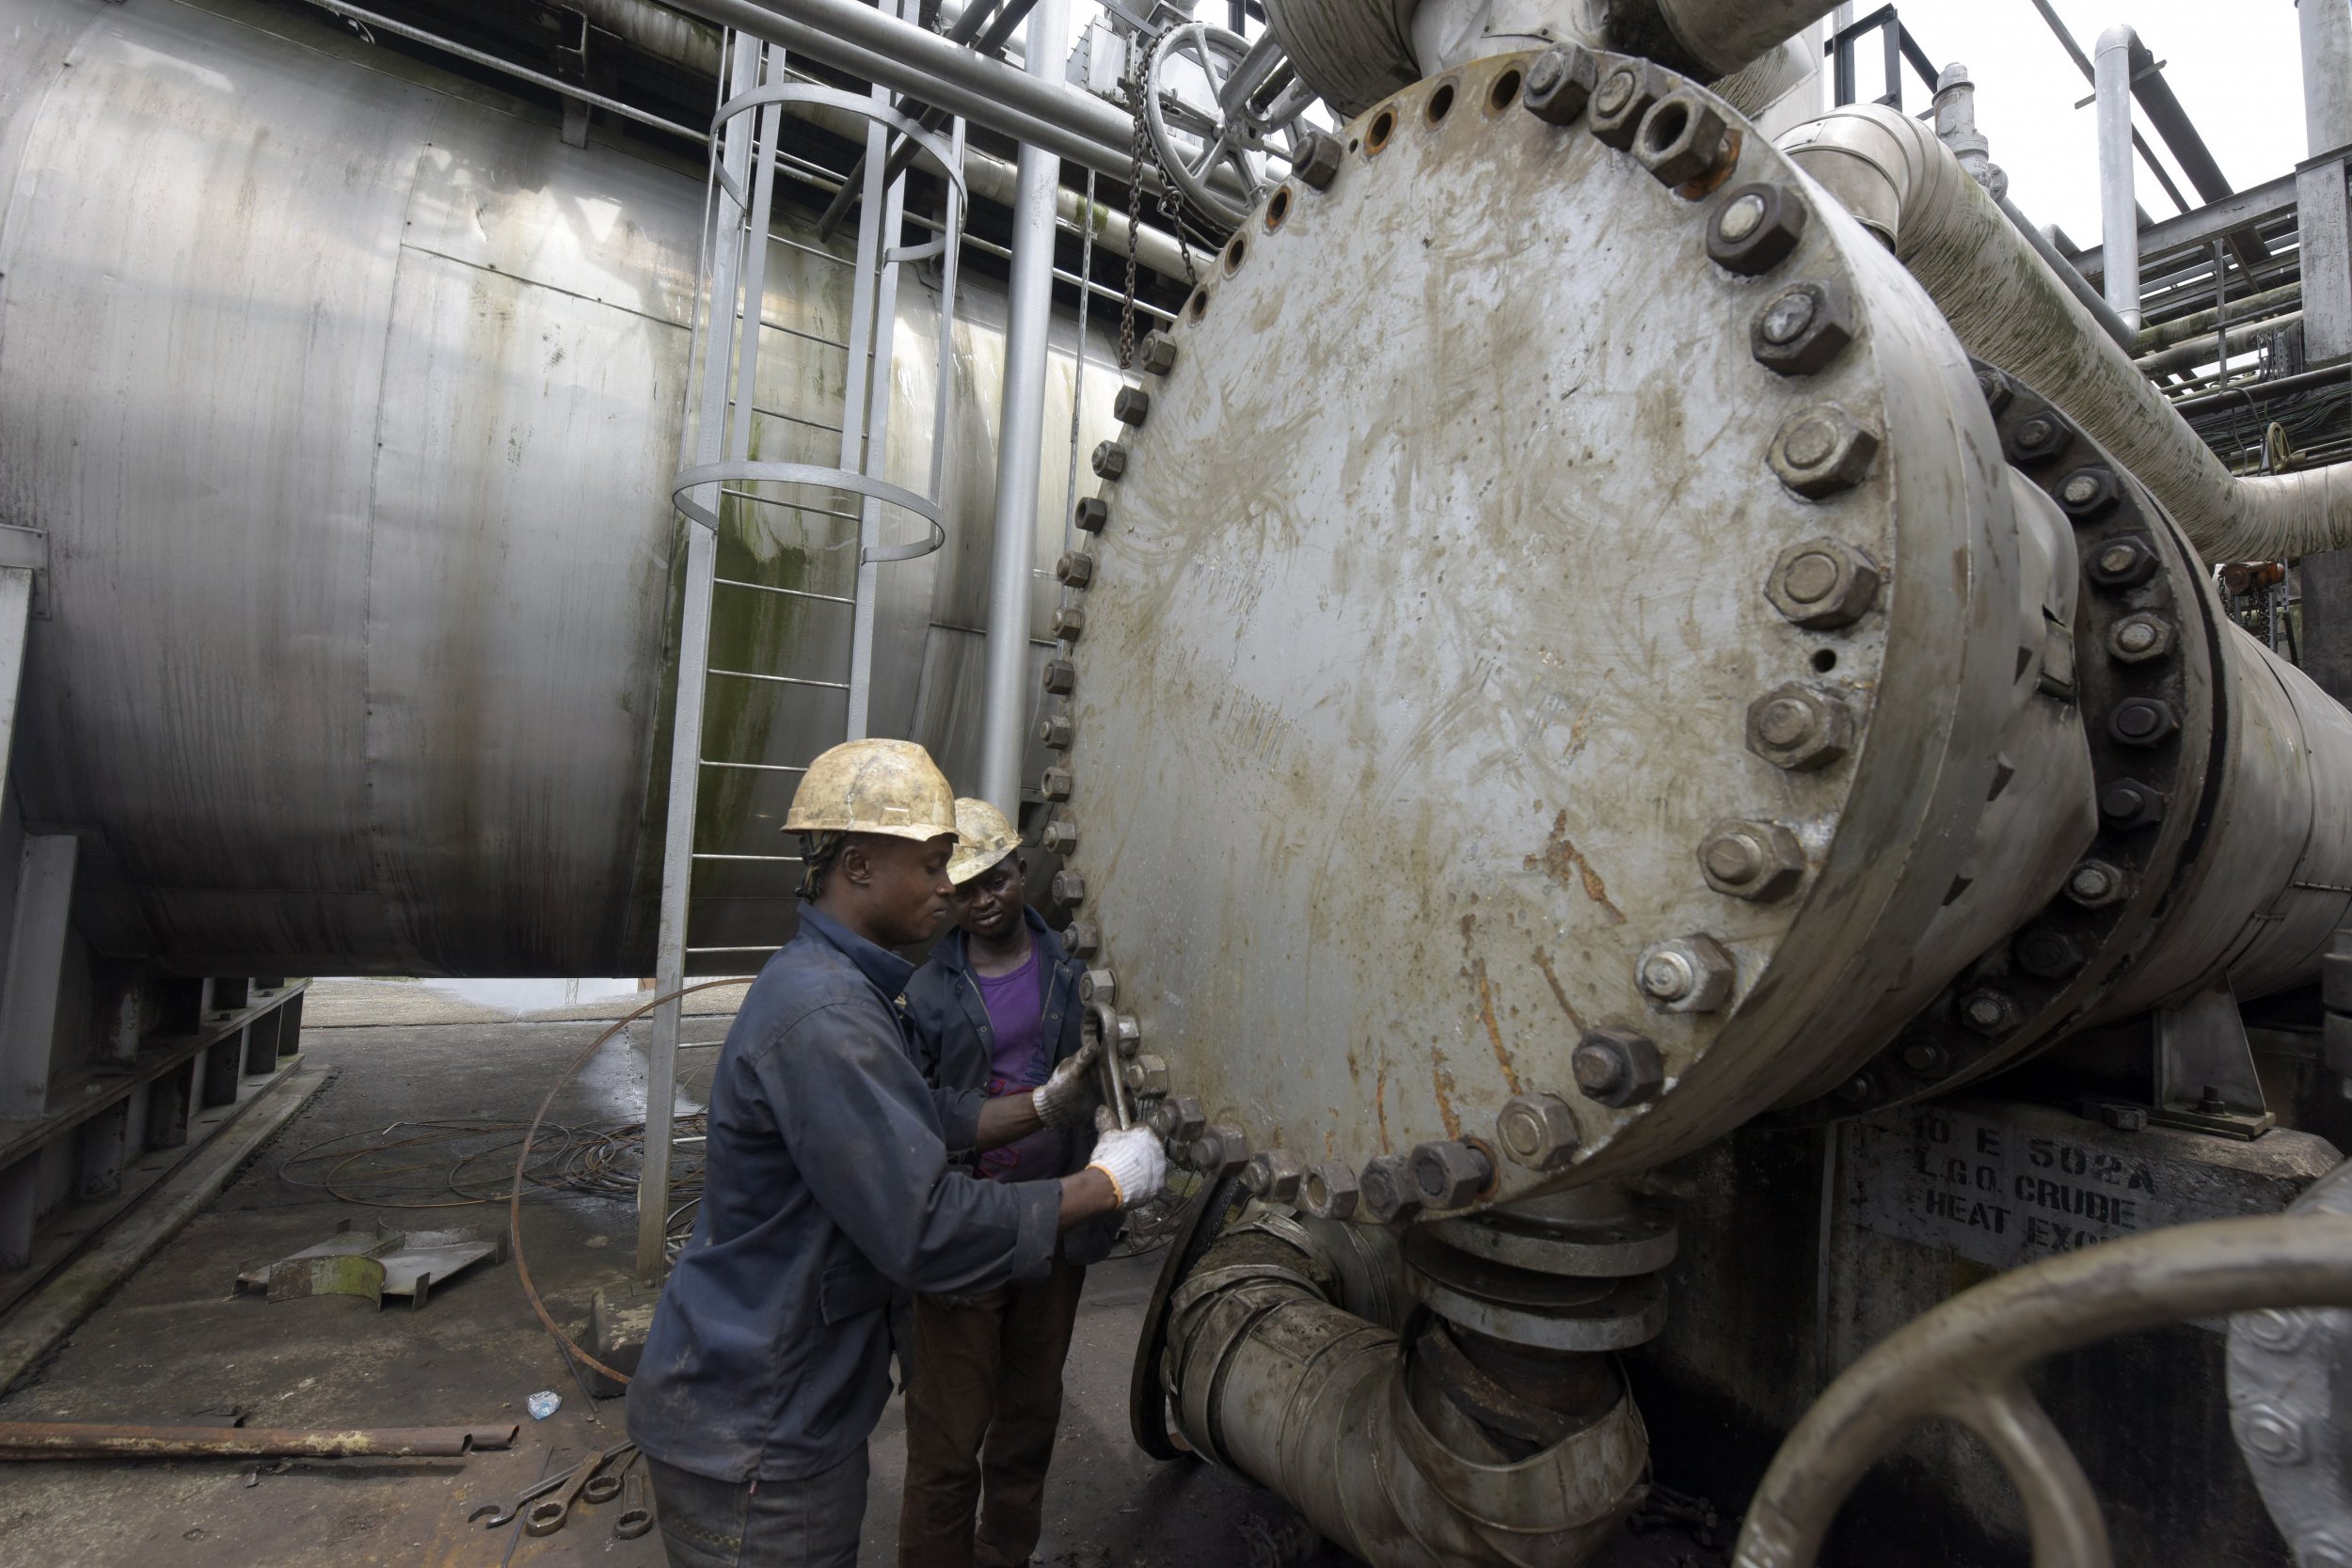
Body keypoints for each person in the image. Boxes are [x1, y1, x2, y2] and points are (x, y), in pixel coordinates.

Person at [626, 738, 1166, 1568]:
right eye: (936, 861)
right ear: (858, 864)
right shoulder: (829, 1017)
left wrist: (1046, 1104)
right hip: (759, 1432)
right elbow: (925, 1222)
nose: (951, 887)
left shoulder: (838, 988)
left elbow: (915, 1121)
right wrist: (1101, 1185)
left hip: (777, 1409)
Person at [897, 799, 1120, 1568]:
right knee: (949, 1434)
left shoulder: (1075, 972)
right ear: (947, 897)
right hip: (971, 1226)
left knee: (1027, 1417)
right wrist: (1038, 1105)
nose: (984, 898)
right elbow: (922, 1112)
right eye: (964, 888)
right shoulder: (927, 993)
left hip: (1056, 1224)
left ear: (1023, 870)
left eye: (996, 879)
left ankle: (1004, 1553)